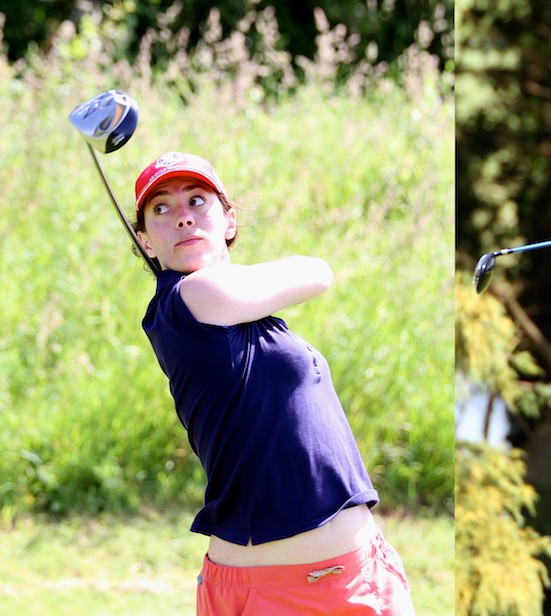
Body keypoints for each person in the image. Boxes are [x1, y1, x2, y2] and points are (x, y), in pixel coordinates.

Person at [133, 151, 415, 615]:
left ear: (229, 220)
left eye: (197, 201)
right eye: (161, 209)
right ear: (145, 242)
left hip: (359, 574)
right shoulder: (195, 296)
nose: (182, 217)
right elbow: (317, 271)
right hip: (282, 591)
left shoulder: (242, 314)